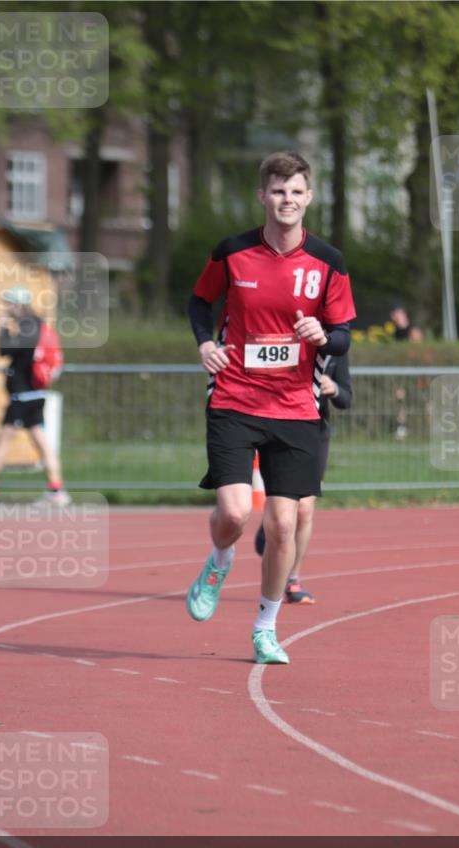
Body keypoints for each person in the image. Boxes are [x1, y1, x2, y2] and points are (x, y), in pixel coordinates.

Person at [185, 150, 356, 665]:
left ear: (309, 197)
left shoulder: (328, 262)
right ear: (263, 196)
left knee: (284, 524)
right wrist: (203, 344)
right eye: (278, 192)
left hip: (296, 406)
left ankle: (265, 626)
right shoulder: (232, 252)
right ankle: (218, 561)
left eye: (296, 192)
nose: (287, 200)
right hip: (236, 397)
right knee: (235, 513)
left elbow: (345, 334)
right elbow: (199, 301)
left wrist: (324, 334)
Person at [253, 350, 352, 604]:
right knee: (286, 505)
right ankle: (275, 524)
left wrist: (334, 389)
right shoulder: (283, 339)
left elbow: (346, 398)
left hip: (314, 433)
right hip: (277, 423)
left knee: (305, 507)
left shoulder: (336, 344)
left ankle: (293, 579)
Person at [0, 287, 70, 507]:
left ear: (18, 304)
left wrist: (2, 327)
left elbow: (4, 349)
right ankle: (56, 490)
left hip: (23, 397)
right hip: (35, 394)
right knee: (42, 444)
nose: (5, 307)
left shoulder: (28, 328)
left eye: (8, 303)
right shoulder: (37, 325)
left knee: (2, 442)